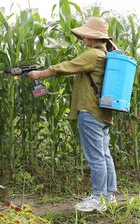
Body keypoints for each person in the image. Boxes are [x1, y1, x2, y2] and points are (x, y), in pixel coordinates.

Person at [27, 17, 117, 212]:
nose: (82, 36)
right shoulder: (105, 54)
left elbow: (66, 67)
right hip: (103, 112)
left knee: (96, 158)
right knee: (104, 155)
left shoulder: (92, 54)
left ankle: (97, 198)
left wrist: (39, 74)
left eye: (86, 33)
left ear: (93, 36)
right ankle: (109, 196)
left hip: (90, 111)